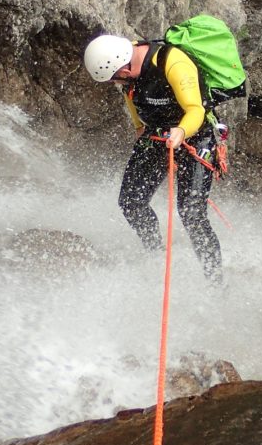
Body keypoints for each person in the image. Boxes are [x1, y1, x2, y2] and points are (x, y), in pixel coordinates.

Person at [83, 34, 223, 284]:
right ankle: (155, 255)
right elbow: (132, 95)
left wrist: (180, 132)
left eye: (116, 78)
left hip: (195, 135)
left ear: (124, 68)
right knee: (131, 202)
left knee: (192, 213)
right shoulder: (128, 70)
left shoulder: (172, 62)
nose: (116, 84)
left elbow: (195, 110)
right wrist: (139, 127)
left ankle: (215, 280)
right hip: (157, 136)